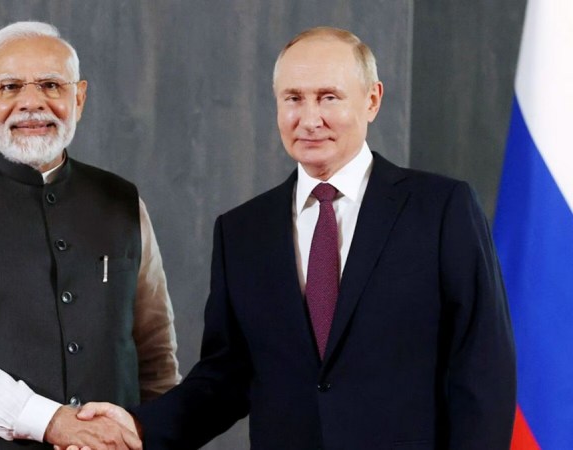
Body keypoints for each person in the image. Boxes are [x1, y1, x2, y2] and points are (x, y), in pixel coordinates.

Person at [73, 26, 516, 449]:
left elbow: (482, 369)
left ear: (372, 100)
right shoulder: (243, 231)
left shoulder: (441, 209)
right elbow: (226, 377)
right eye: (293, 98)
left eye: (328, 97)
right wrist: (137, 426)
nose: (309, 119)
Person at [0, 21, 180, 450]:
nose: (31, 103)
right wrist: (50, 420)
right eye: (9, 87)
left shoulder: (122, 201)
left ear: (78, 98)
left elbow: (155, 353)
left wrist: (159, 433)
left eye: (50, 85)